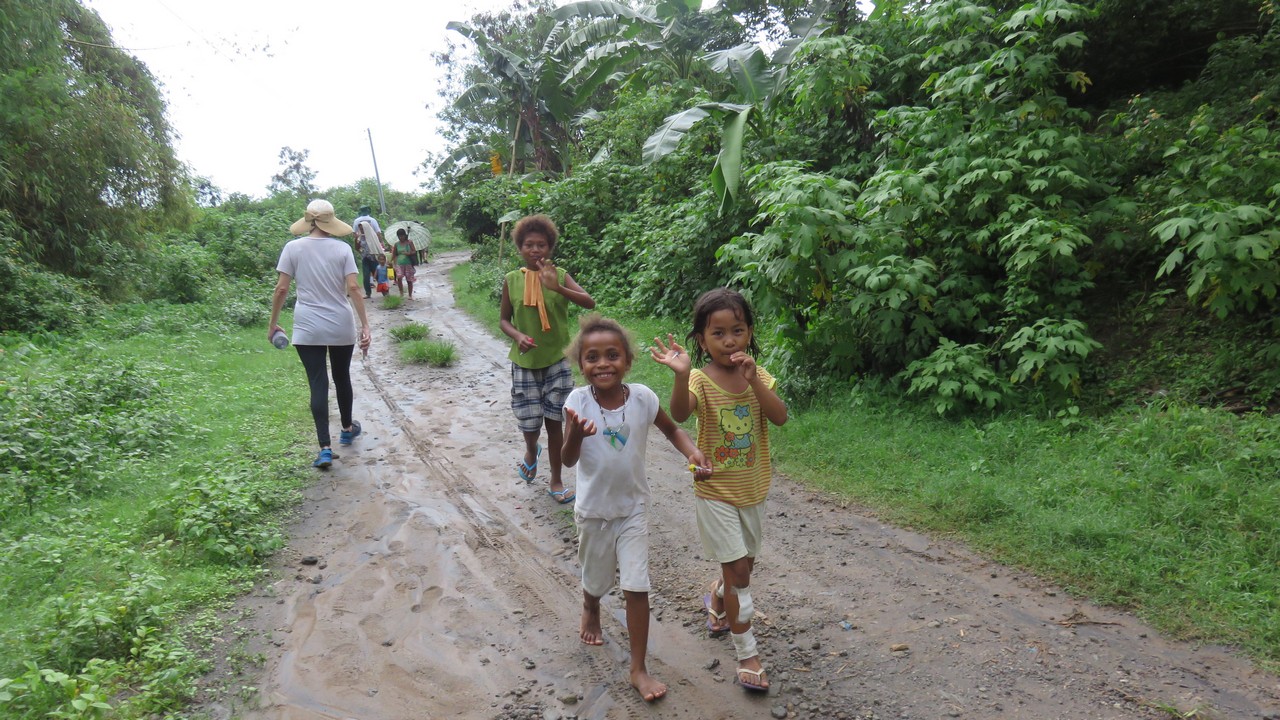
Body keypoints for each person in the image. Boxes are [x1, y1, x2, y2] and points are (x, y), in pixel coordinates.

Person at [562, 314, 708, 703]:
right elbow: (568, 460)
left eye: (612, 355)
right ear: (581, 364)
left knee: (636, 585)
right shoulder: (577, 402)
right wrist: (575, 435)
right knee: (595, 578)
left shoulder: (642, 397)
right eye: (592, 357)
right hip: (593, 511)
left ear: (628, 361)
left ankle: (638, 668)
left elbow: (672, 429)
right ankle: (591, 605)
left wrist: (692, 452)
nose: (603, 363)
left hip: (633, 509)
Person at [650, 288, 788, 693]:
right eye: (718, 333)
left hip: (753, 489)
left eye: (738, 331)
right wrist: (680, 376)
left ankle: (717, 595)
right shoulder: (699, 378)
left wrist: (754, 381)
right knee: (741, 575)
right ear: (701, 339)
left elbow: (780, 417)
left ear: (749, 333)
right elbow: (679, 413)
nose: (730, 341)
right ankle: (748, 654)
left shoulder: (758, 375)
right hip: (714, 491)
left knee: (743, 567)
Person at [499, 214, 595, 503]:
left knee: (555, 422)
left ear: (550, 247)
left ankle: (556, 480)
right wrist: (518, 335)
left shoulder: (560, 275)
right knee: (529, 423)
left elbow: (589, 301)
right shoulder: (512, 280)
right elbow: (504, 320)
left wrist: (557, 288)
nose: (535, 250)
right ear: (520, 248)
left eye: (541, 245)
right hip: (525, 362)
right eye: (529, 244)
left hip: (557, 360)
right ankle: (531, 450)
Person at [270, 199, 372, 469]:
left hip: (308, 326)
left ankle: (325, 449)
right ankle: (347, 429)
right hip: (340, 324)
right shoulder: (342, 249)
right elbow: (354, 288)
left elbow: (281, 289)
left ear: (310, 222)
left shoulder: (292, 248)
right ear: (331, 222)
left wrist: (273, 324)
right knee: (342, 377)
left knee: (317, 383)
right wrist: (365, 325)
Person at [352, 205, 383, 300]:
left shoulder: (372, 237)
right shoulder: (372, 221)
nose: (361, 230)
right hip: (365, 258)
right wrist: (358, 242)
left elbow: (376, 245)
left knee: (378, 274)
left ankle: (384, 291)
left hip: (373, 257)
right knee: (366, 275)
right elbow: (357, 247)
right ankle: (368, 293)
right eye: (360, 229)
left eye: (362, 229)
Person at [391, 227, 416, 299]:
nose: (400, 237)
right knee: (399, 277)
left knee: (409, 279)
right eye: (399, 236)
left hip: (408, 263)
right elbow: (394, 254)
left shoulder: (409, 243)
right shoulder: (396, 244)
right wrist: (391, 261)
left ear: (405, 235)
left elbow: (414, 251)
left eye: (402, 236)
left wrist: (409, 253)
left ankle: (410, 295)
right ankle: (401, 293)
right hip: (399, 263)